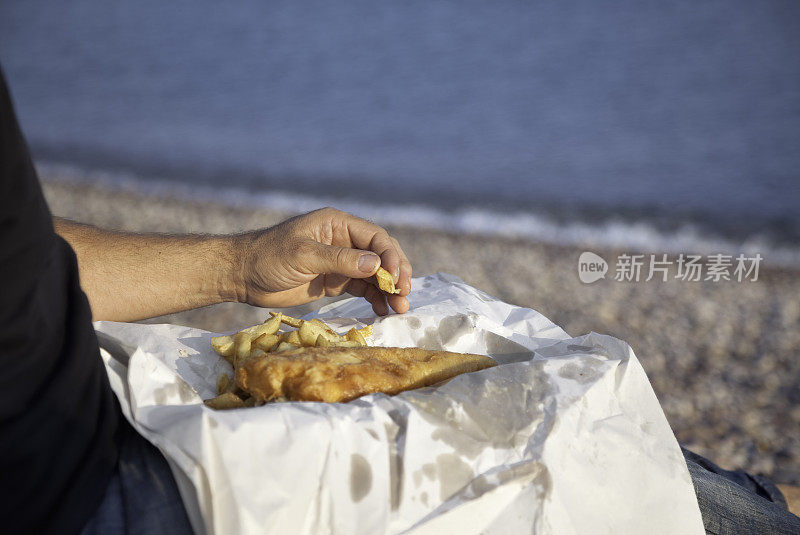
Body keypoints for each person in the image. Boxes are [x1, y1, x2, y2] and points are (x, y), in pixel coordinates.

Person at [1, 68, 798, 534]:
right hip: (95, 484)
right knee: (552, 434)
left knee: (536, 389)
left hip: (106, 395)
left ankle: (762, 501)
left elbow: (22, 256)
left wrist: (242, 265)